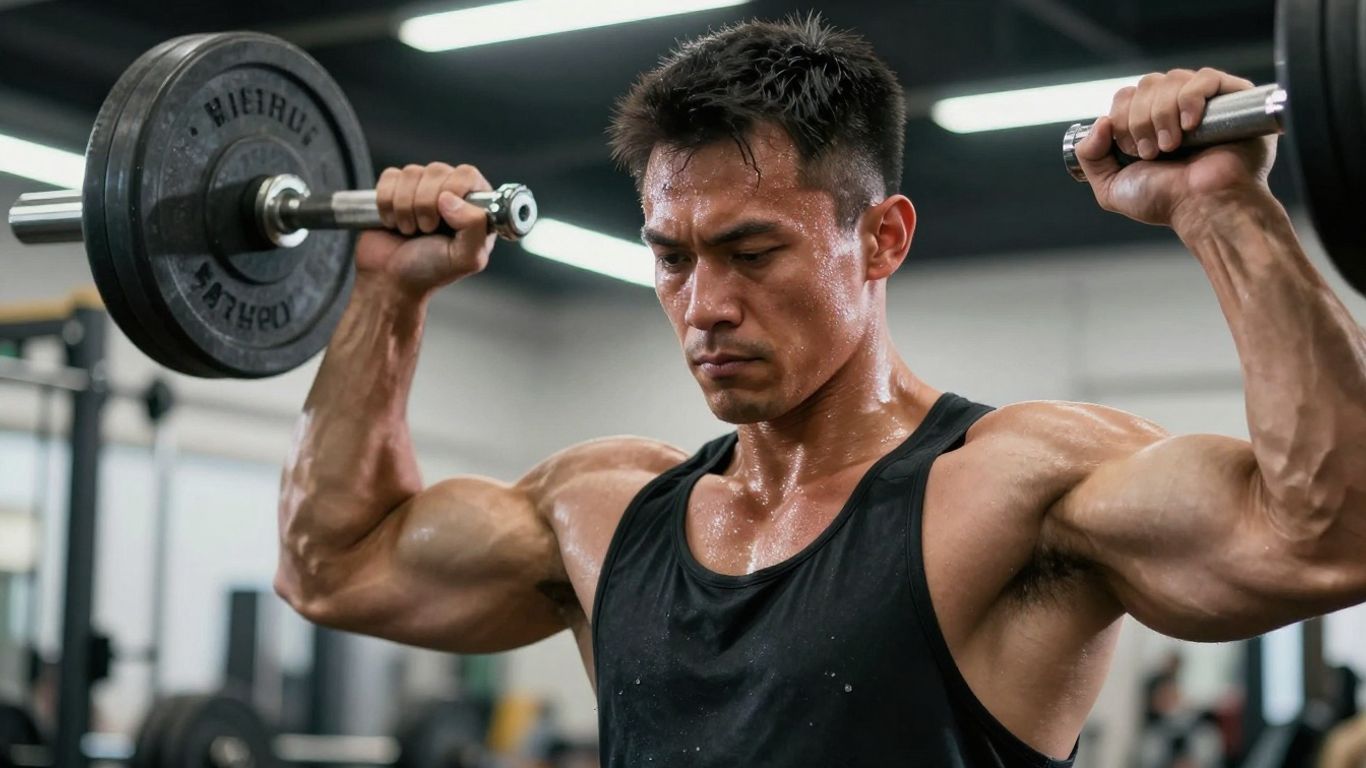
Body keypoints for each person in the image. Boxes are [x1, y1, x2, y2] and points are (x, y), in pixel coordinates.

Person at [274, 16, 1366, 768]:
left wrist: (1224, 212)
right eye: (671, 256)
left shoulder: (1013, 490)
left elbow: (1333, 535)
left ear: (880, 239)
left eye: (752, 252)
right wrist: (387, 295)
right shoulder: (603, 512)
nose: (703, 305)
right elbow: (332, 567)